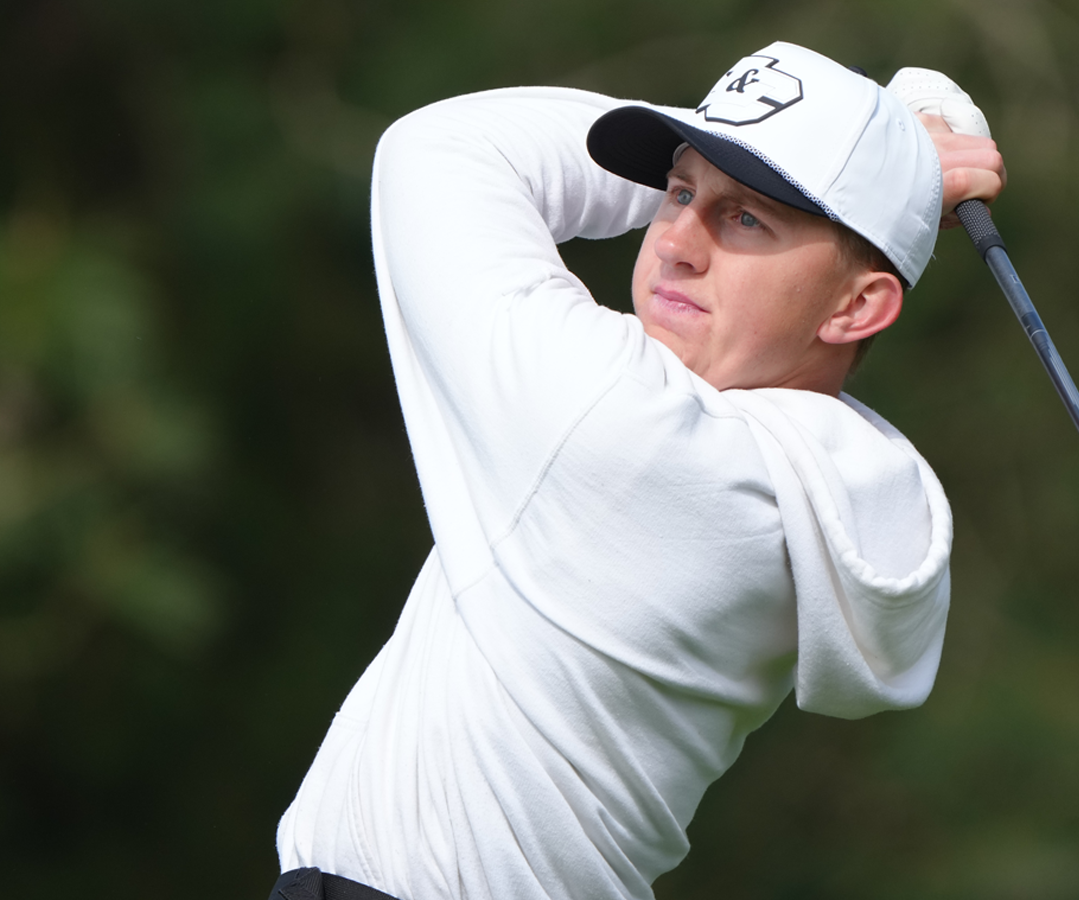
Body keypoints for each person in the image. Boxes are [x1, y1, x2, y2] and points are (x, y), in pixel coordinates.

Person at [271, 41, 1005, 900]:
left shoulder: (623, 425)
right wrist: (873, 164)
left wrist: (890, 156)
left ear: (858, 306)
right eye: (679, 191)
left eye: (745, 220)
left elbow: (443, 148)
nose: (677, 243)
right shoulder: (830, 471)